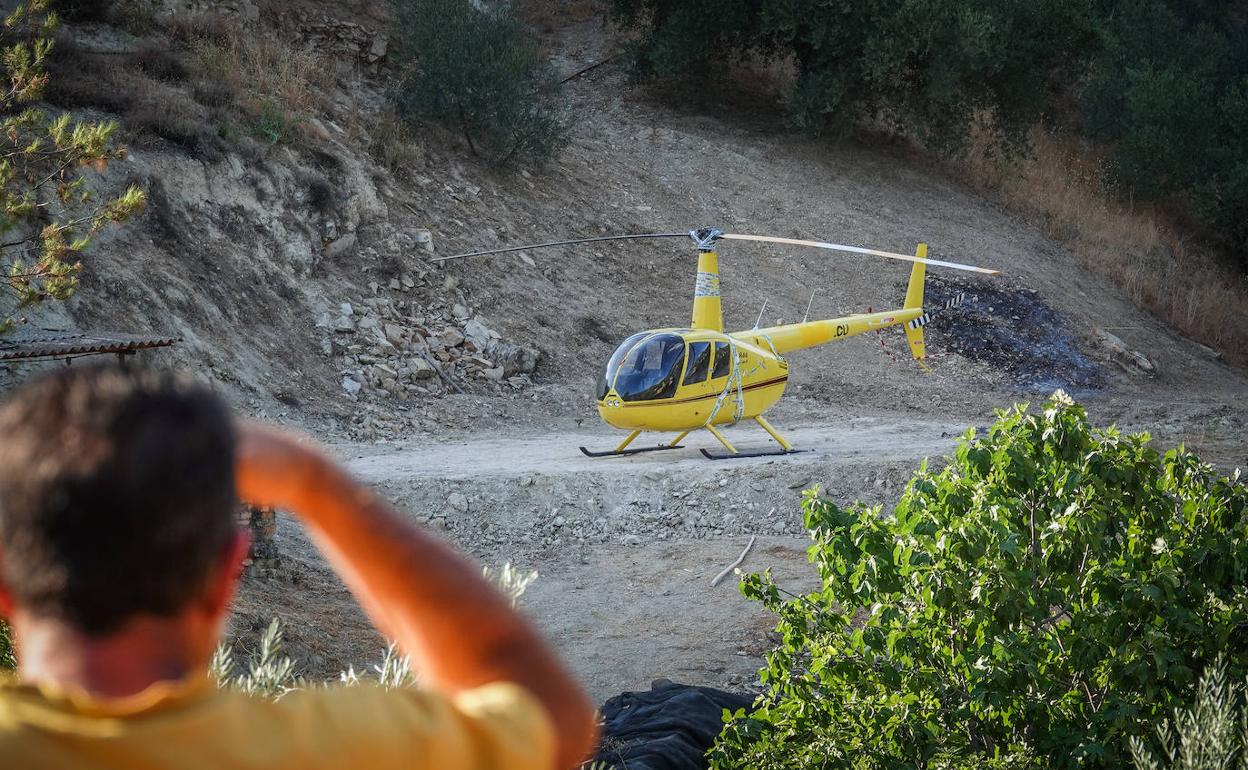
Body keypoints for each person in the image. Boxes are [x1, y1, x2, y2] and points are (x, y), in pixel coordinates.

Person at [0, 365, 597, 769]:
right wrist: (318, 487)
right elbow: (554, 719)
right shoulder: (346, 748)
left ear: (5, 587)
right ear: (229, 572)